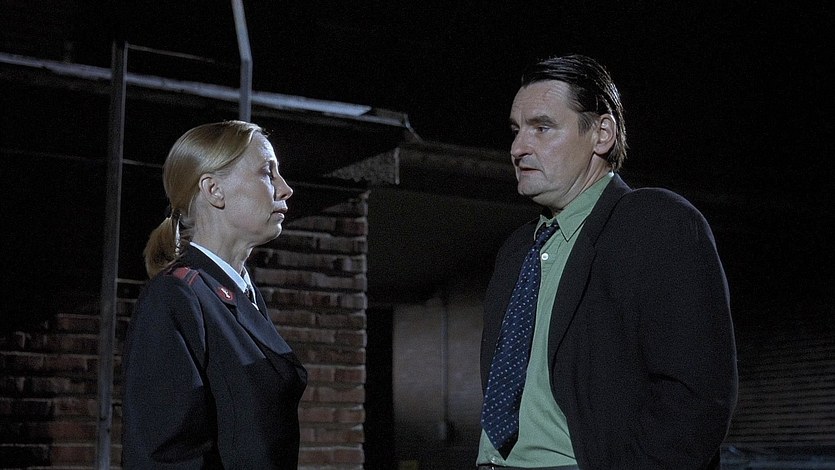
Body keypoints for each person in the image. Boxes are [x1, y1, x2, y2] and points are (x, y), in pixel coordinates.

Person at [477, 54, 738, 469]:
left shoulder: (655, 223)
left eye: (542, 128)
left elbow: (697, 399)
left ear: (602, 134)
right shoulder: (515, 250)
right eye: (516, 130)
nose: (518, 148)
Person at [121, 120, 307, 469]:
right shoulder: (176, 297)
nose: (285, 189)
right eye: (267, 172)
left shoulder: (238, 293)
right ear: (214, 190)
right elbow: (165, 456)